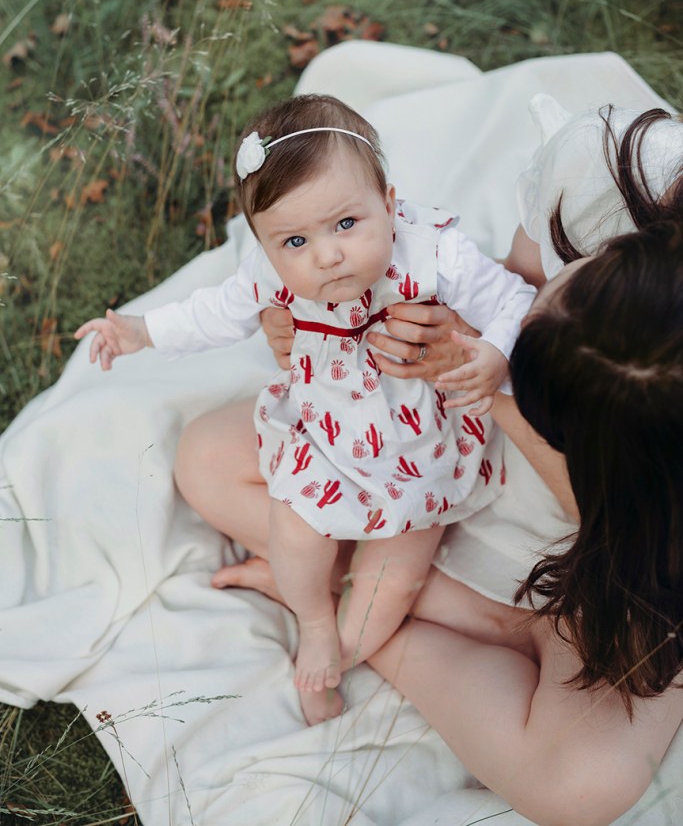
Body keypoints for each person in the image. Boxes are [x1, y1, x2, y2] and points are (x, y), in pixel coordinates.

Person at [169, 80, 683, 825]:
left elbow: (634, 543)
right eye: (556, 305)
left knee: (579, 784)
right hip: (446, 449)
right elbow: (503, 289)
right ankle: (378, 601)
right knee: (207, 459)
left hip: (612, 553)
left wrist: (504, 399)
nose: (535, 306)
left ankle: (355, 603)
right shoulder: (612, 166)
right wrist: (389, 332)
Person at [74, 92, 535, 725]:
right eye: (295, 239)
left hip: (418, 452)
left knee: (392, 578)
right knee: (294, 529)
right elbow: (212, 314)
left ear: (391, 205)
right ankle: (315, 619)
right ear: (266, 245)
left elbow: (512, 298)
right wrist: (140, 331)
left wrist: (495, 353)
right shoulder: (270, 273)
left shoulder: (432, 253)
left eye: (347, 224)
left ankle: (341, 652)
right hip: (327, 433)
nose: (326, 256)